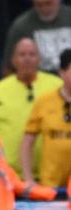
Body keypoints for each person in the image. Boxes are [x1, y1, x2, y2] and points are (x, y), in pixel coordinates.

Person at [0, 38, 61, 176]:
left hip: (52, 174)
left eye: (32, 54)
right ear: (13, 60)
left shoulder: (57, 86)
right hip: (9, 174)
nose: (27, 59)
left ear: (39, 59)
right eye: (22, 55)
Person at [21, 49, 71, 188]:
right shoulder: (44, 102)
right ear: (62, 72)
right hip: (51, 184)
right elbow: (27, 142)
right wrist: (28, 178)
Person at [2, 0, 71, 74]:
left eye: (48, 3)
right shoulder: (21, 26)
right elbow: (9, 66)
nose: (44, 9)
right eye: (39, 4)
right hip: (37, 82)